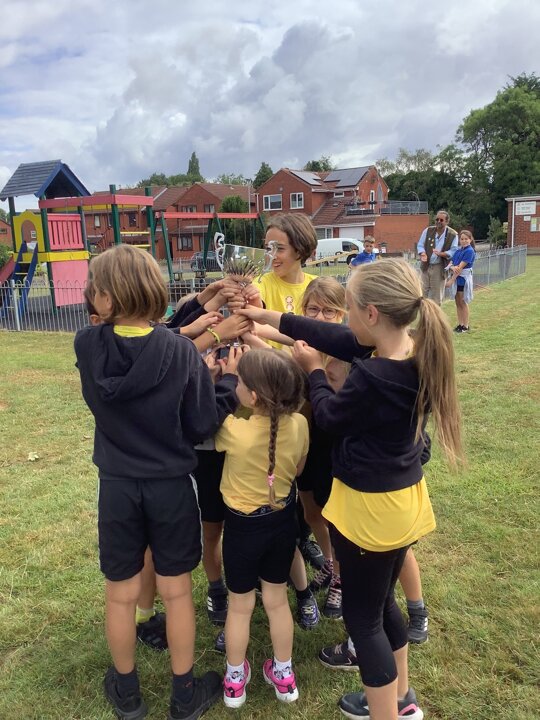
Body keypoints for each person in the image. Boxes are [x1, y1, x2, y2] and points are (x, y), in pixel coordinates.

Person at [240, 258, 463, 720]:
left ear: (371, 313)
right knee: (382, 605)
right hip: (402, 503)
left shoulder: (375, 376)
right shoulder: (408, 348)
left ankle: (386, 712)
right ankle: (401, 700)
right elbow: (330, 335)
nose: (344, 321)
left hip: (370, 514)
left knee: (363, 622)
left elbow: (330, 416)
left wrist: (315, 373)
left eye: (350, 307)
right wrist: (264, 315)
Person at [74, 245, 241, 720]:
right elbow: (201, 422)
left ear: (106, 299)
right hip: (171, 487)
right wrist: (227, 383)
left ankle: (127, 692)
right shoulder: (181, 353)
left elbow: (137, 341)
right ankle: (184, 693)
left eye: (93, 287)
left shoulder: (87, 345)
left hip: (117, 487)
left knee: (120, 593)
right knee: (177, 591)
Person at [210, 348, 309, 709]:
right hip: (282, 522)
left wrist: (222, 377)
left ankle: (235, 681)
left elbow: (209, 421)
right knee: (276, 600)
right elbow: (298, 470)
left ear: (252, 396)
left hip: (241, 528)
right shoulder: (300, 424)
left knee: (240, 606)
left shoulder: (233, 429)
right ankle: (283, 675)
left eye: (240, 381)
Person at [417, 210, 458, 305]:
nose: (438, 221)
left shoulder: (452, 234)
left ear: (447, 221)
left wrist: (441, 254)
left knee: (437, 297)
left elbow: (453, 251)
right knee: (421, 294)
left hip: (439, 267)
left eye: (441, 220)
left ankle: (435, 314)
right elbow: (420, 245)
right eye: (437, 219)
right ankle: (423, 313)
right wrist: (422, 253)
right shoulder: (428, 231)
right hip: (426, 266)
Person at [445, 229, 476, 333]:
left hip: (463, 280)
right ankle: (460, 324)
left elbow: (460, 268)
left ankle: (465, 326)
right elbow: (451, 264)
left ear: (470, 239)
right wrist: (452, 267)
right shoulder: (458, 251)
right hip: (457, 279)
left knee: (463, 302)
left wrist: (451, 280)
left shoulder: (469, 251)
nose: (464, 241)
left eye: (466, 239)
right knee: (457, 302)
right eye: (462, 239)